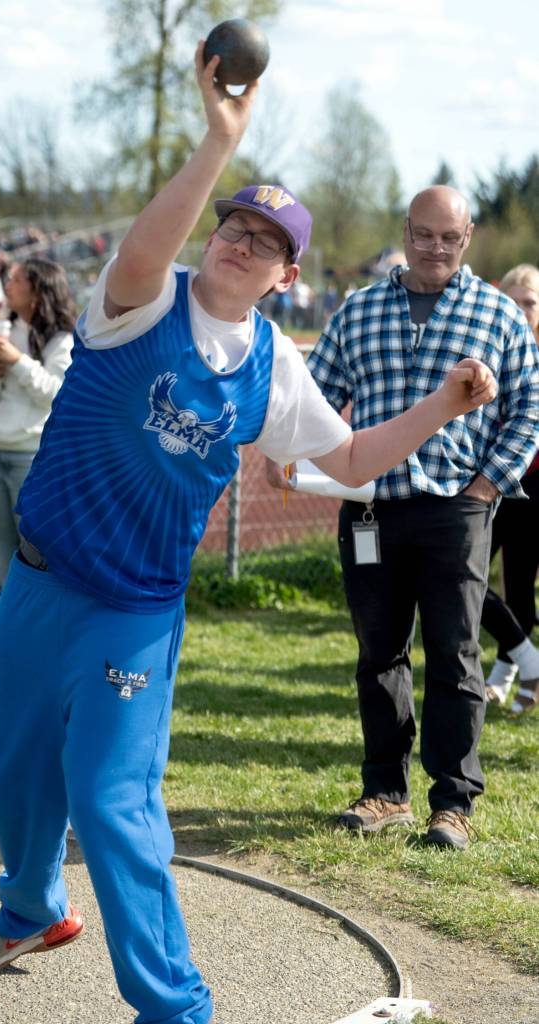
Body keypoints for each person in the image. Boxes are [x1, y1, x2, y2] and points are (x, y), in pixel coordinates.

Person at [0, 46, 497, 1024]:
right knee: (10, 774)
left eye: (265, 241)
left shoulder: (272, 364)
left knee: (110, 799)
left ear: (285, 274)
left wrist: (443, 406)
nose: (243, 242)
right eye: (234, 225)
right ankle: (31, 909)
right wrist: (217, 140)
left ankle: (176, 1007)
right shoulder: (141, 299)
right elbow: (146, 248)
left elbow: (352, 458)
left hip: (134, 612)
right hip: (39, 580)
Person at [270, 186, 539, 851]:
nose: (434, 248)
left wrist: (485, 486)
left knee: (455, 654)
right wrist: (288, 450)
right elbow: (315, 395)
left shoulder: (499, 315)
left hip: (456, 508)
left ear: (467, 237)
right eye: (423, 234)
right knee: (378, 653)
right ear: (405, 231)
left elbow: (528, 411)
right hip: (369, 508)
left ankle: (453, 803)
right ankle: (384, 791)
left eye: (448, 237)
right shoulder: (358, 310)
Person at [0, 257, 76, 593]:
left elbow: (56, 395)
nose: (8, 285)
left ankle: (38, 615)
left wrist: (17, 362)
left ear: (38, 291)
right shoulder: (2, 331)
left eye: (16, 280)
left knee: (37, 549)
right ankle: (5, 615)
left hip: (32, 457)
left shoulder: (63, 340)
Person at [481, 264, 539, 712]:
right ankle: (528, 663)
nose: (520, 310)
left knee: (519, 587)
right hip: (489, 482)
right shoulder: (491, 348)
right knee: (464, 575)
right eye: (513, 302)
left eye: (530, 302)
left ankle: (504, 679)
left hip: (531, 487)